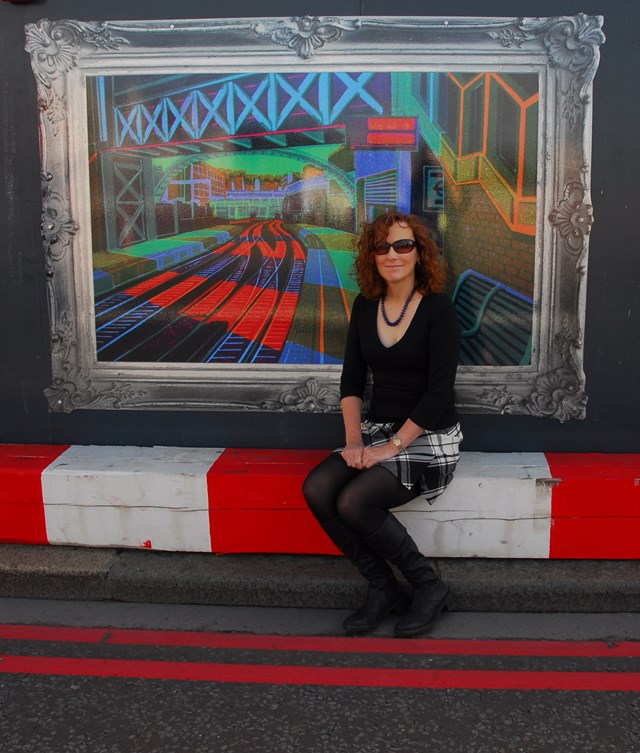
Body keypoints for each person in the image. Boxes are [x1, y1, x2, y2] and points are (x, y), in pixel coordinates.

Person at [302, 210, 462, 638]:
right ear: (371, 256)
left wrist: (391, 448)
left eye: (403, 245)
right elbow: (352, 379)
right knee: (316, 489)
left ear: (420, 253)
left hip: (428, 435)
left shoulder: (438, 309)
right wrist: (354, 442)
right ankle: (383, 586)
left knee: (353, 501)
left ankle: (429, 586)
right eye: (382, 246)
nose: (392, 254)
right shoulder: (365, 305)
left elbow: (439, 392)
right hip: (376, 431)